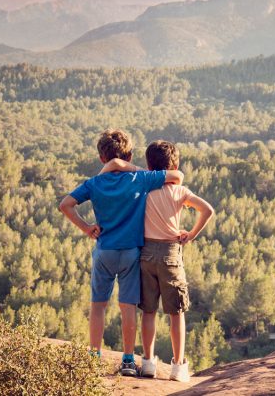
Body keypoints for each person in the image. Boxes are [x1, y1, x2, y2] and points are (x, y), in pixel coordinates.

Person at [58, 129, 183, 376]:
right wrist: (130, 167)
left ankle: (93, 357)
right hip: (130, 253)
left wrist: (86, 227)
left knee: (98, 306)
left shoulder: (94, 183)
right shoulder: (140, 179)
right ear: (130, 155)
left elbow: (65, 205)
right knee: (128, 307)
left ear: (101, 158)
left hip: (104, 250)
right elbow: (176, 176)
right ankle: (127, 360)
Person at [102, 140, 214, 382]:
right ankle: (178, 367)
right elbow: (207, 210)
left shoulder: (143, 188)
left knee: (149, 311)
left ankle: (148, 363)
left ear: (149, 164)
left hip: (145, 253)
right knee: (176, 313)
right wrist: (191, 234)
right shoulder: (180, 192)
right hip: (171, 253)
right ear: (174, 165)